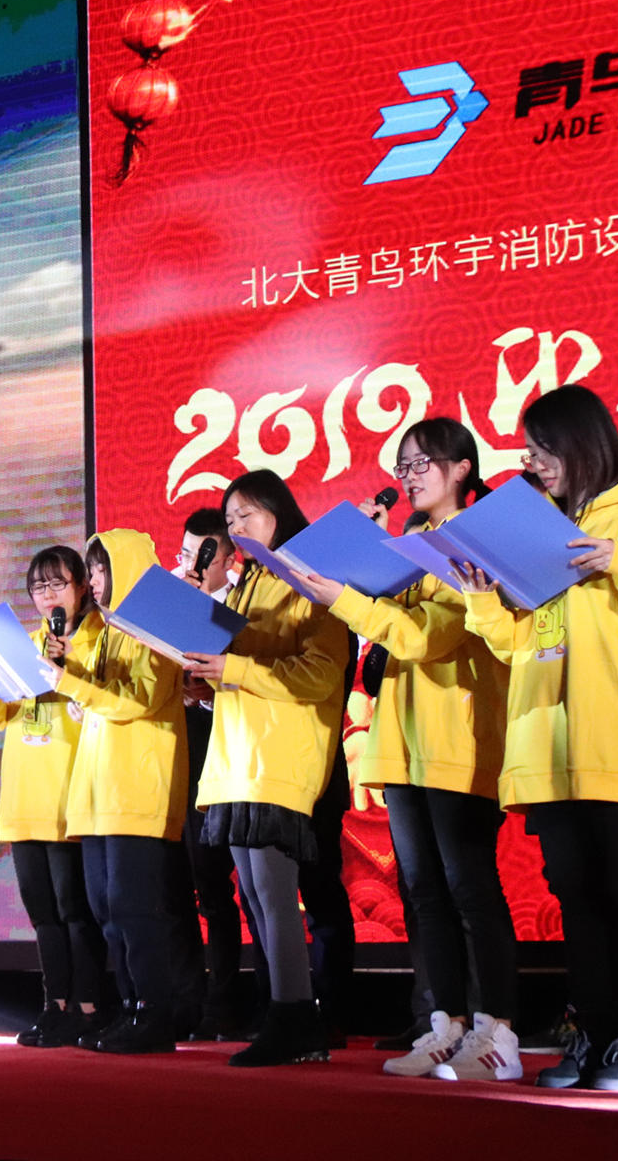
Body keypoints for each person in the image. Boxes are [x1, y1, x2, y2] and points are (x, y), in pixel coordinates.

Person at [458, 384, 618, 1092]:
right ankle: (597, 1034)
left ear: (580, 445)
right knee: (578, 897)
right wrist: (480, 597)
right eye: (531, 451)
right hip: (549, 746)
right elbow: (520, 643)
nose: (534, 463)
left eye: (544, 450)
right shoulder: (545, 525)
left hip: (615, 736)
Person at [300, 417, 518, 1081]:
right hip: (401, 741)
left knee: (470, 888)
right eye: (403, 466)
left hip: (459, 738)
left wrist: (348, 599)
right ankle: (445, 1025)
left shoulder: (475, 542)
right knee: (423, 892)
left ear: (461, 467)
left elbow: (430, 638)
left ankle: (497, 1030)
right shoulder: (411, 546)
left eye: (422, 463)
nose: (410, 476)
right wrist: (362, 560)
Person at [183, 470, 348, 1067]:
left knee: (276, 897)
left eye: (246, 514)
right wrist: (203, 682)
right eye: (230, 520)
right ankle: (282, 1011)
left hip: (279, 757)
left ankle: (297, 1017)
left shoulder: (312, 577)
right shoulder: (245, 585)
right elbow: (238, 668)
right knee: (254, 895)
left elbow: (321, 675)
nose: (236, 528)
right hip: (236, 757)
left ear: (279, 513)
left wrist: (234, 671)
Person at [49, 528, 191, 1054]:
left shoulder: (154, 623)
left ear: (126, 567)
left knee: (135, 910)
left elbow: (139, 700)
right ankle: (131, 1009)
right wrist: (69, 672)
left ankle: (155, 1014)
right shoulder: (109, 629)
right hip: (98, 792)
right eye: (92, 570)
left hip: (137, 789)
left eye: (102, 568)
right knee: (107, 911)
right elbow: (104, 698)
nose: (95, 580)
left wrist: (70, 683)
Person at [0, 546, 109, 1049]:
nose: (48, 595)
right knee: (43, 912)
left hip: (71, 793)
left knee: (75, 910)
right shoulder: (25, 644)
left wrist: (68, 668)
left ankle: (90, 1007)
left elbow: (106, 704)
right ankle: (55, 1006)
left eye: (57, 584)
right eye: (38, 587)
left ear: (82, 586)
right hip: (25, 796)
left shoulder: (98, 640)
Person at [174, 509, 253, 1039]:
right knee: (187, 883)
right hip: (180, 751)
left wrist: (208, 693)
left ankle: (230, 1002)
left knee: (228, 887)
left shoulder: (243, 608)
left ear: (229, 558)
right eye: (186, 553)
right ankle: (188, 1000)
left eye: (204, 553)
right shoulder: (173, 600)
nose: (193, 564)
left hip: (231, 753)